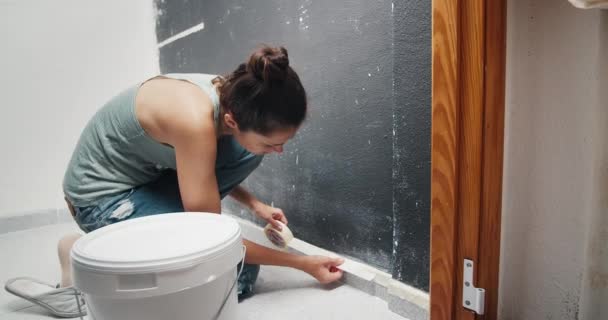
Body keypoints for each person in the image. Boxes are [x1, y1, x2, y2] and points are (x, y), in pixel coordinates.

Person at [57, 45, 344, 305]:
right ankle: (89, 258)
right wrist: (302, 264)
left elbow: (201, 166)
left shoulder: (234, 92)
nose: (279, 151)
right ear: (232, 120)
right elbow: (211, 239)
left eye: (284, 142)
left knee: (247, 151)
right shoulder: (194, 122)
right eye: (272, 142)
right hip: (100, 198)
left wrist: (256, 205)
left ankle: (109, 246)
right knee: (232, 277)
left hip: (145, 178)